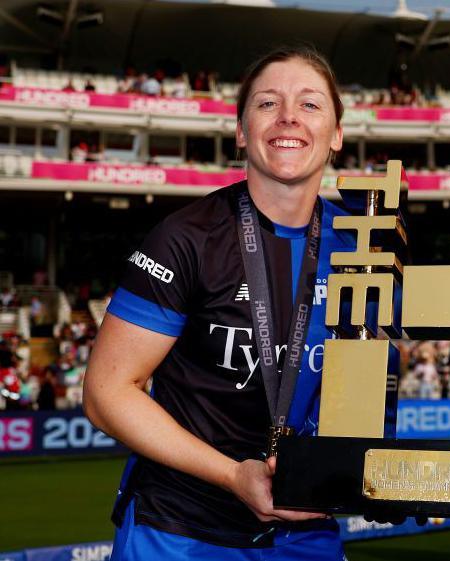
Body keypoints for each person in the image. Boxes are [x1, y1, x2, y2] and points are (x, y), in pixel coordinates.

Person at [83, 46, 354, 560]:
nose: (289, 116)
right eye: (267, 103)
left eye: (311, 104)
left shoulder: (362, 252)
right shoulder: (186, 238)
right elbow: (105, 391)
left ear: (337, 134)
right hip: (178, 530)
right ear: (240, 131)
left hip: (306, 531)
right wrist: (233, 475)